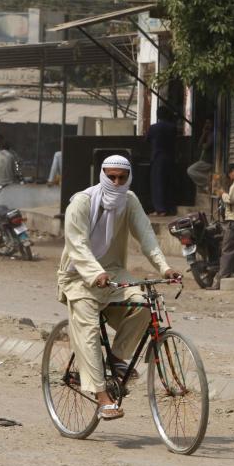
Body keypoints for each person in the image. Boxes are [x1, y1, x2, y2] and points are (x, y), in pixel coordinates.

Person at [58, 155, 179, 421]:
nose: (116, 182)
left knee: (145, 304)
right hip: (78, 276)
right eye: (111, 177)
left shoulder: (130, 201)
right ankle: (103, 398)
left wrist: (164, 267)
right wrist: (94, 272)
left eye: (121, 177)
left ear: (128, 178)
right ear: (102, 175)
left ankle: (116, 358)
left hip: (113, 273)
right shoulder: (82, 202)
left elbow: (146, 236)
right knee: (88, 331)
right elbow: (77, 245)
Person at [146, 107, 177, 216]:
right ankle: (169, 209)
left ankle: (160, 209)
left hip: (157, 157)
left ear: (158, 116)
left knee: (157, 183)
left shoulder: (153, 128)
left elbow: (147, 140)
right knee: (168, 183)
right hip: (170, 158)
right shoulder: (173, 127)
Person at [186, 119, 214, 191]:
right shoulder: (207, 134)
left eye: (209, 123)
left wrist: (204, 144)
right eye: (206, 123)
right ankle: (208, 182)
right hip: (204, 160)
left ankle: (209, 182)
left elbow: (206, 146)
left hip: (207, 161)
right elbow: (199, 145)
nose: (207, 125)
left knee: (190, 170)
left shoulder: (213, 134)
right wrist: (204, 133)